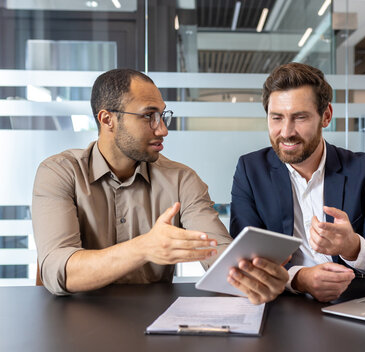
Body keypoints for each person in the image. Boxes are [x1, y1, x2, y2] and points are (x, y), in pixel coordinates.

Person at [32, 68, 288, 304]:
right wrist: (145, 247)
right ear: (107, 119)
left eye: (162, 115)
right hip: (73, 324)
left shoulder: (182, 179)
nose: (163, 129)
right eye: (148, 116)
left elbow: (217, 253)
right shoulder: (60, 172)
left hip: (152, 321)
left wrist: (251, 276)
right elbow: (56, 270)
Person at [230, 62, 365, 302]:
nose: (286, 132)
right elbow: (246, 267)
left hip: (353, 306)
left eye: (299, 117)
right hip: (282, 311)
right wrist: (300, 279)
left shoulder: (364, 170)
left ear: (326, 116)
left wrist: (352, 246)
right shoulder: (250, 171)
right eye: (276, 118)